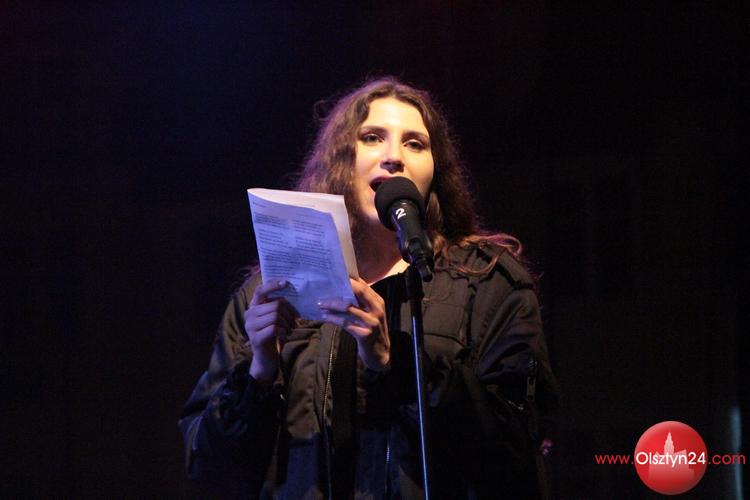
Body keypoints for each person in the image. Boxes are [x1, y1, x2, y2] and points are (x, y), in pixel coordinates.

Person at [179, 77, 559, 499]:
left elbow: (518, 445)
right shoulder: (270, 292)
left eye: (415, 143)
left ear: (435, 171)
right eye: (372, 137)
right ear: (342, 159)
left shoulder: (486, 280)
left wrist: (397, 363)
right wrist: (259, 375)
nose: (394, 156)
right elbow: (209, 466)